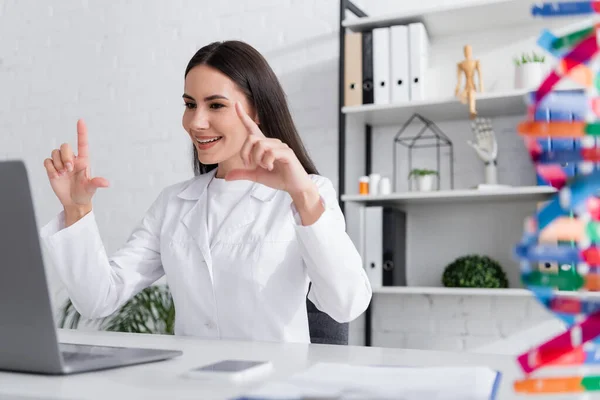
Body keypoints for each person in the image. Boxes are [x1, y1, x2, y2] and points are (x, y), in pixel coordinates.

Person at [40, 40, 372, 343]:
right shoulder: (174, 203)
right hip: (193, 385)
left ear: (256, 109)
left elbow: (346, 305)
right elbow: (98, 299)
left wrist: (302, 195)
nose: (196, 122)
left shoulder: (309, 193)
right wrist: (76, 209)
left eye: (215, 106)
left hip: (276, 385)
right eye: (189, 104)